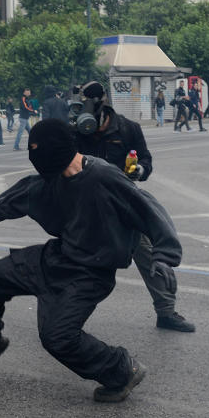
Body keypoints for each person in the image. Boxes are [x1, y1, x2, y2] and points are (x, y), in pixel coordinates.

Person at [0, 119, 182, 402]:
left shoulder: (105, 178)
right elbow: (8, 202)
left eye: (63, 168)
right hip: (56, 258)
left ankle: (122, 370)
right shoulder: (49, 178)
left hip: (91, 274)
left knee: (57, 337)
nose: (61, 175)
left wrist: (164, 257)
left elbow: (152, 212)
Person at [71, 81, 195, 333]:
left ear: (103, 102)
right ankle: (66, 316)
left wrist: (140, 169)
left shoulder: (128, 129)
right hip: (88, 206)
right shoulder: (76, 132)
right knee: (74, 262)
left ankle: (166, 312)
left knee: (149, 256)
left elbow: (146, 160)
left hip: (122, 203)